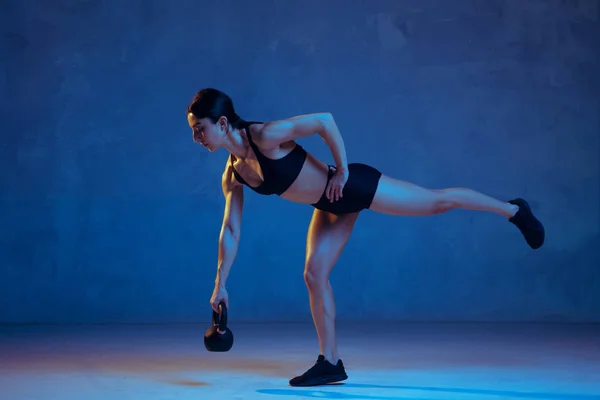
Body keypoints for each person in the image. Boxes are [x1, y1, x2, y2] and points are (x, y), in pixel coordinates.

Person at [186, 88, 545, 387]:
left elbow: (324, 121)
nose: (196, 138)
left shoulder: (264, 135)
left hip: (351, 186)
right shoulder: (233, 174)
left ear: (221, 122)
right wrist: (221, 285)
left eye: (199, 129)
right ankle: (330, 362)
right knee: (313, 275)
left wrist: (341, 169)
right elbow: (231, 229)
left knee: (437, 202)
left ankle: (513, 211)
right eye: (193, 131)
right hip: (327, 208)